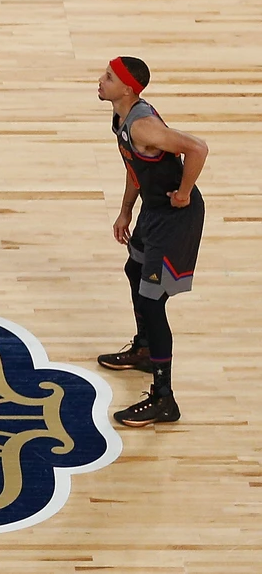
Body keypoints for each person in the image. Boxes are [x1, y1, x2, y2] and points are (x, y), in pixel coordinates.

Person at [93, 57, 207, 428]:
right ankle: (144, 350)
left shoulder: (144, 125)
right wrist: (125, 210)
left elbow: (197, 147)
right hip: (153, 211)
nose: (100, 80)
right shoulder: (122, 117)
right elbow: (134, 168)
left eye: (108, 77)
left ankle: (164, 399)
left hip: (175, 217)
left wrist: (185, 193)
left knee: (152, 300)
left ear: (127, 88)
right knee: (133, 268)